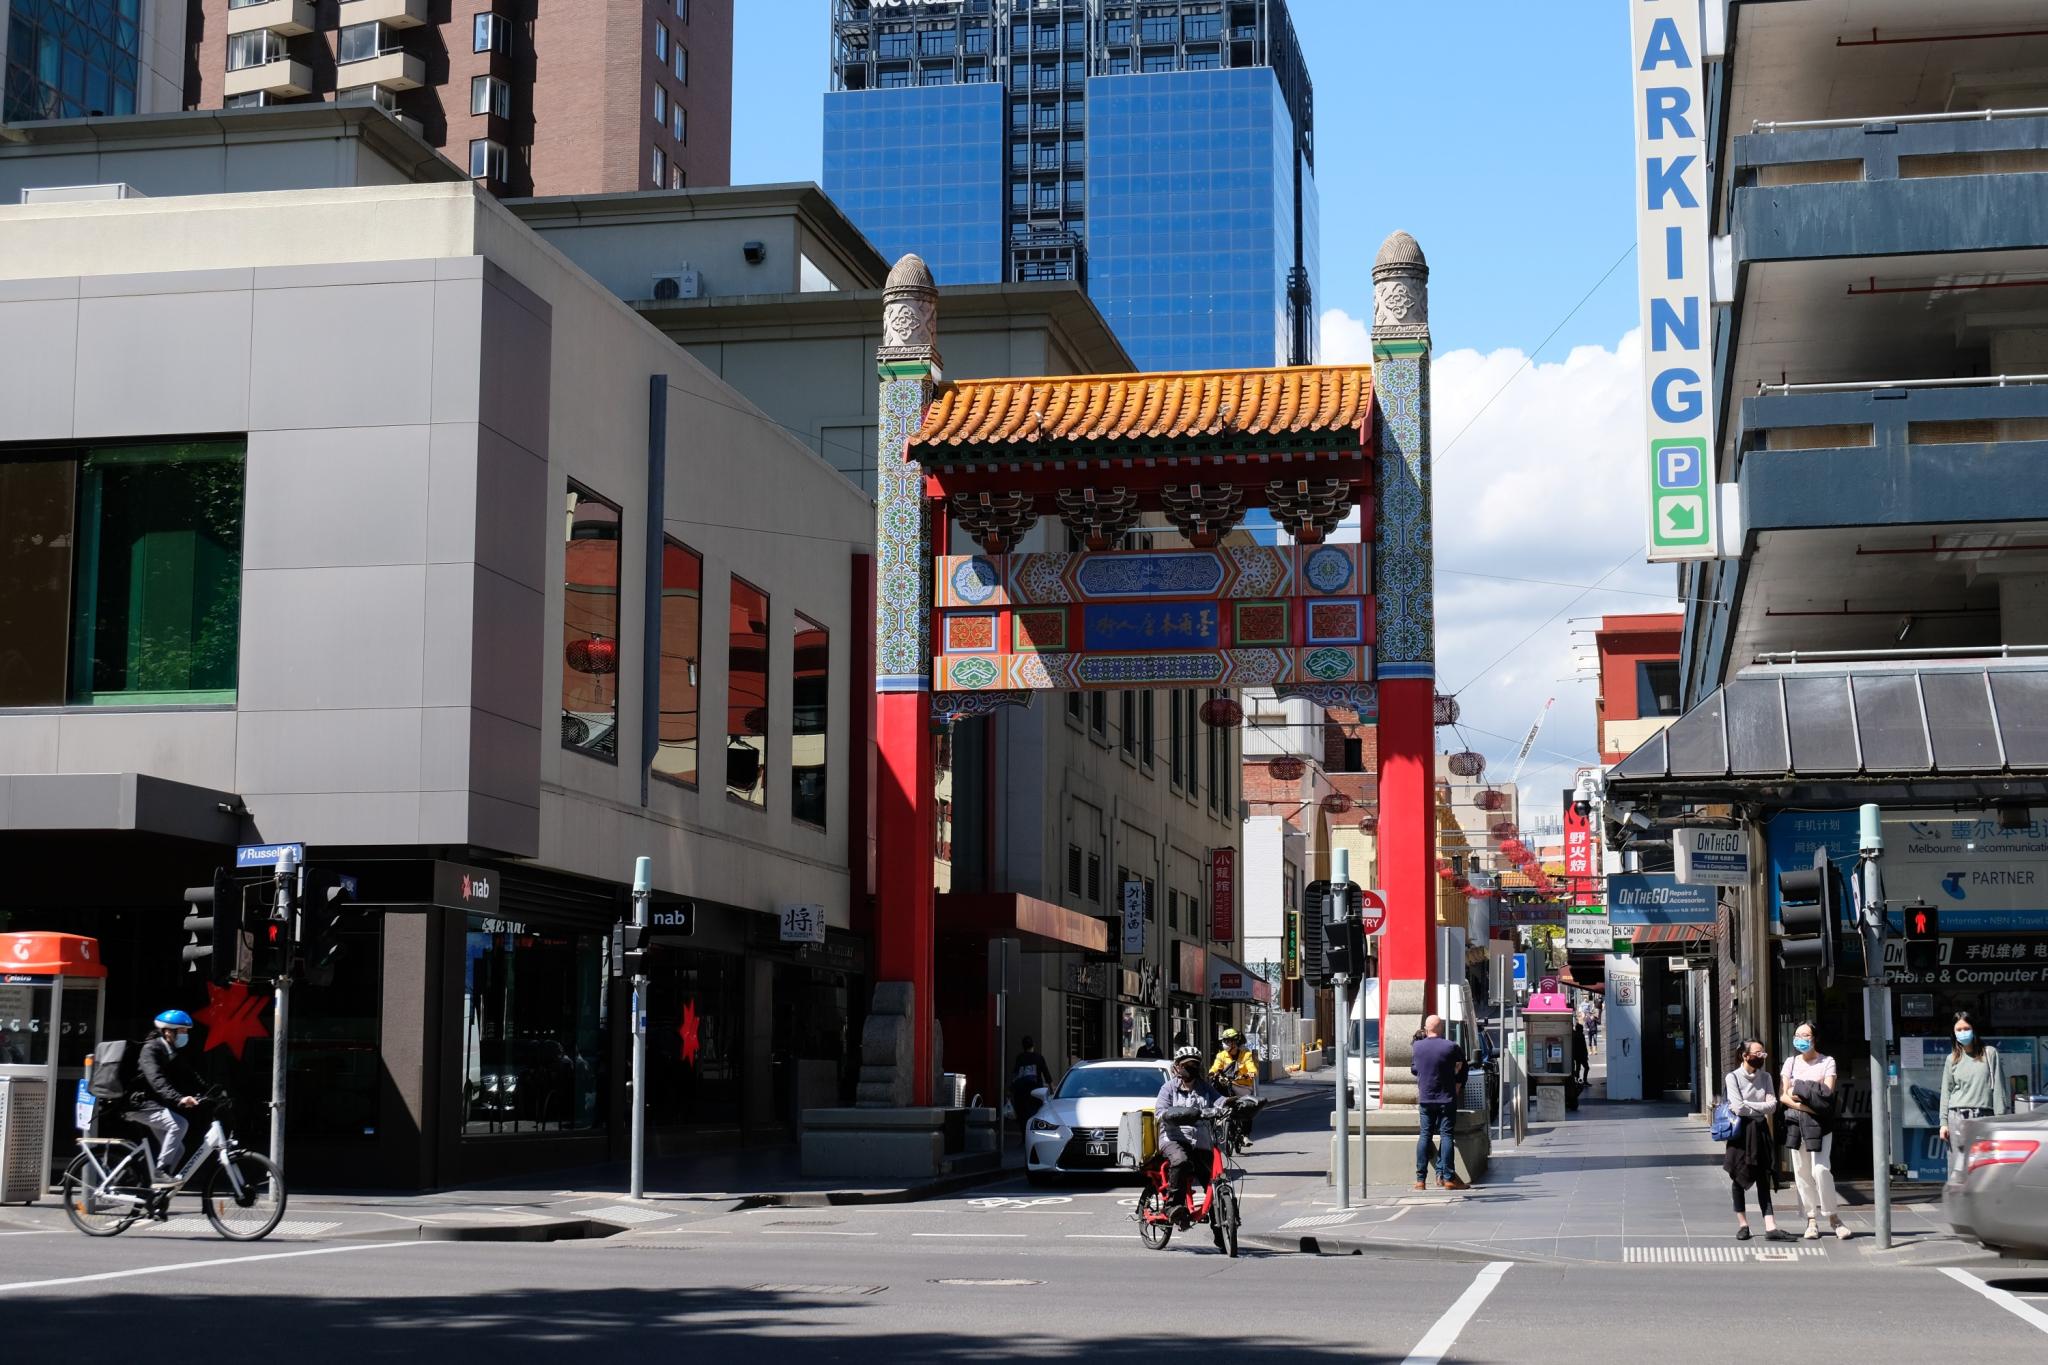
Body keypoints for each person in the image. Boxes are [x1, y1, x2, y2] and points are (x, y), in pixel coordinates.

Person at [1778, 1021, 1847, 1240]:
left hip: (1821, 1125)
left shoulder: (1828, 1061)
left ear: (1814, 1038)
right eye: (1797, 1034)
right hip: (1797, 1123)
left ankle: (1833, 1217)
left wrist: (1799, 1090)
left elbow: (1826, 1094)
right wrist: (1807, 1103)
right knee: (1801, 1172)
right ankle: (1811, 1219)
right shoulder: (1790, 1062)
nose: (1800, 1038)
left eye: (1805, 1035)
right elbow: (1783, 1095)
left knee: (1820, 1170)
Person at [1154, 1045, 1228, 1238]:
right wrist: (1177, 1114)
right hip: (1173, 1139)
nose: (1190, 1068)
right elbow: (1160, 1113)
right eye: (1186, 1065)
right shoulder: (1168, 1088)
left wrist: (1236, 1103)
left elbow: (1221, 1102)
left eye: (1194, 1065)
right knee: (1181, 1161)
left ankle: (1220, 1231)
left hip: (1200, 1141)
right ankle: (1173, 1207)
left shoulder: (1204, 1087)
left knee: (1212, 1178)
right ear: (1177, 1067)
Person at [130, 1009, 205, 1185]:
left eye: (186, 1031)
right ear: (167, 1031)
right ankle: (160, 1171)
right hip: (136, 1103)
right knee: (179, 1124)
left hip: (151, 1104)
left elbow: (190, 1074)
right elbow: (157, 1080)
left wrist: (212, 1090)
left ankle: (157, 1194)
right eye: (182, 1031)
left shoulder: (169, 1050)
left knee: (178, 1150)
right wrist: (179, 1098)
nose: (185, 1035)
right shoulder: (150, 1050)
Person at [1723, 1039, 1786, 1240]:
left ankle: (1770, 1226)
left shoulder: (1766, 1076)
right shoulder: (1732, 1077)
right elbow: (1738, 1108)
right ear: (1745, 1055)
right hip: (1741, 1133)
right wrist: (1756, 1106)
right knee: (1737, 1177)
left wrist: (1747, 1105)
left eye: (1763, 1053)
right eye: (1758, 1053)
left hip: (1760, 1130)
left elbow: (1773, 1106)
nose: (1762, 1057)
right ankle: (1743, 1224)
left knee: (1762, 1177)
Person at [1939, 1010, 2009, 1171]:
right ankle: (1958, 1196)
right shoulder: (1952, 1059)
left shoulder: (1989, 1053)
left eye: (1966, 1028)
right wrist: (1943, 1123)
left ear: (1974, 1029)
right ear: (1954, 1033)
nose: (1963, 1033)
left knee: (1982, 1168)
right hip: (1956, 1117)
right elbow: (1946, 1092)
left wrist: (2000, 1120)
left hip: (1983, 1117)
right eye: (1958, 1030)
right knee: (1957, 1169)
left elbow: (1999, 1088)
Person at [1411, 1014, 1469, 1191]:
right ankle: (1449, 1178)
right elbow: (1463, 1067)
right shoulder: (1451, 1047)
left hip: (1426, 1098)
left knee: (1425, 1135)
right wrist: (1458, 1083)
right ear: (1441, 1028)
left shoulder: (1417, 1047)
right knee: (1446, 1136)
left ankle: (1420, 1180)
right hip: (1447, 1097)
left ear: (1426, 1028)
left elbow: (1414, 1070)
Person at [1208, 1028, 1260, 1148]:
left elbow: (1252, 1068)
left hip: (1243, 1086)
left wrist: (1251, 1073)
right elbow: (1215, 1067)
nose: (1225, 1043)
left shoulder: (1246, 1055)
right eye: (1224, 1040)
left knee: (1247, 1108)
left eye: (1228, 1041)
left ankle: (1245, 1135)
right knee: (1214, 1094)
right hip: (1227, 1085)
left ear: (1234, 1043)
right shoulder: (1221, 1055)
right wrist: (1212, 1073)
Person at [1010, 1036, 1053, 1126]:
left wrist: (1010, 1090)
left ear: (1023, 1046)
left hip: (1021, 1093)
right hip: (1036, 1092)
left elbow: (1015, 1075)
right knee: (1035, 1114)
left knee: (1022, 1116)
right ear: (1033, 1045)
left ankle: (1024, 1136)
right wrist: (1051, 1089)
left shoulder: (1020, 1058)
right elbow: (1046, 1074)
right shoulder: (1039, 1057)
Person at [1571, 1020, 1591, 1086]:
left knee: (1578, 1068)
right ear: (1580, 1029)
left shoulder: (1574, 1035)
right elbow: (1584, 1047)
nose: (1582, 1030)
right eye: (1582, 1029)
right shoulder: (1581, 1035)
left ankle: (1576, 1080)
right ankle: (1584, 1080)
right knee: (1586, 1067)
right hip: (1582, 1055)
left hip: (1576, 1055)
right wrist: (1586, 1055)